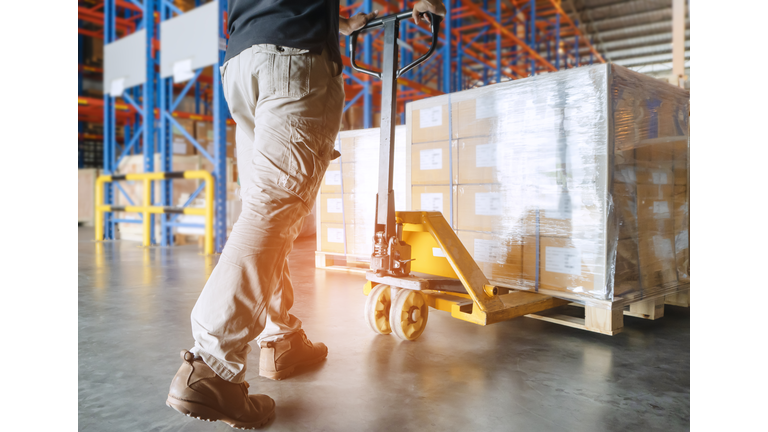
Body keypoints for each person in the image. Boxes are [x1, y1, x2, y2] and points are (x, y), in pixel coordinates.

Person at [166, 0, 447, 429]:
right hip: (293, 58)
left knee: (266, 212)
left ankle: (281, 338)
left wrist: (339, 20)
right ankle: (210, 365)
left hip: (242, 59)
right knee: (272, 209)